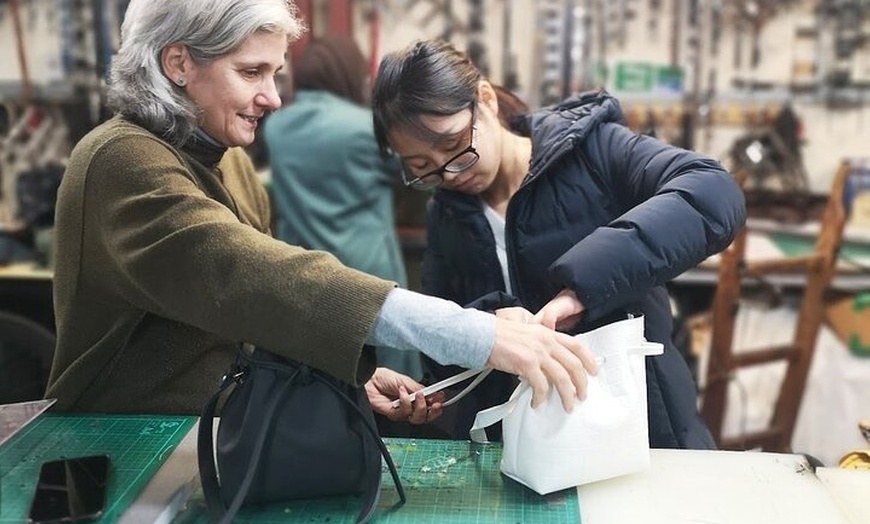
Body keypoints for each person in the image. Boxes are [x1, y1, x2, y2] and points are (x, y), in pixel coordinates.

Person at [45, 0, 598, 425]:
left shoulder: (226, 160)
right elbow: (248, 280)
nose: (273, 98)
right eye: (251, 72)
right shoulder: (123, 159)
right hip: (123, 444)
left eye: (275, 74)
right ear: (179, 63)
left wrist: (352, 374)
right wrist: (474, 333)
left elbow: (255, 321)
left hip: (204, 433)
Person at [371, 39, 746, 448]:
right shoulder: (446, 213)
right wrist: (440, 388)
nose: (449, 173)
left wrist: (581, 289)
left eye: (454, 145)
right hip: (527, 448)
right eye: (422, 168)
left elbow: (712, 192)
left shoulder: (592, 152)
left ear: (485, 99)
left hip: (641, 428)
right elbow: (446, 336)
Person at [262, 35, 421, 380]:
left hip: (308, 274)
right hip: (369, 272)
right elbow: (415, 170)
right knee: (390, 382)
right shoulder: (367, 128)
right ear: (350, 74)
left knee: (324, 377)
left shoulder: (276, 127)